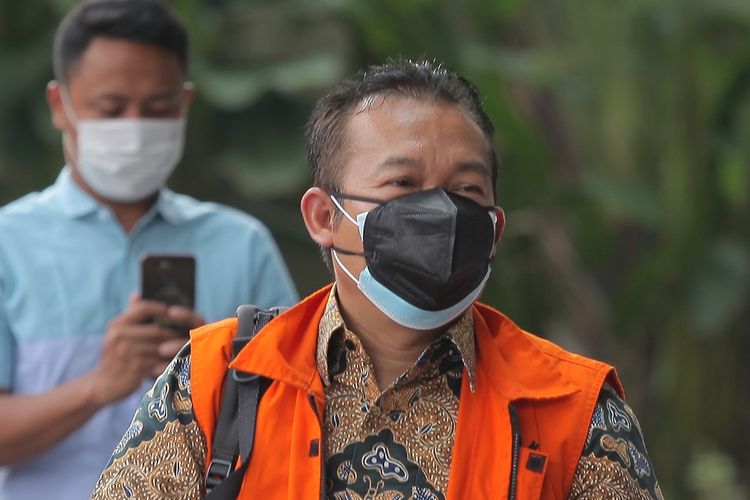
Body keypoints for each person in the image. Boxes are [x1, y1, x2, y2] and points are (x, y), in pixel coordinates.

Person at [92, 60, 663, 499]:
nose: (439, 212)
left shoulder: (572, 408)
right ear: (324, 217)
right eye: (402, 185)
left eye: (466, 191)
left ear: (494, 227)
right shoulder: (218, 382)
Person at [0, 1, 298, 498]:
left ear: (184, 103)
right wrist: (99, 385)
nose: (134, 127)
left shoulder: (241, 244)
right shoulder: (8, 243)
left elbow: (299, 414)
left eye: (157, 109)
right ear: (60, 105)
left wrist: (214, 375)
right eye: (111, 108)